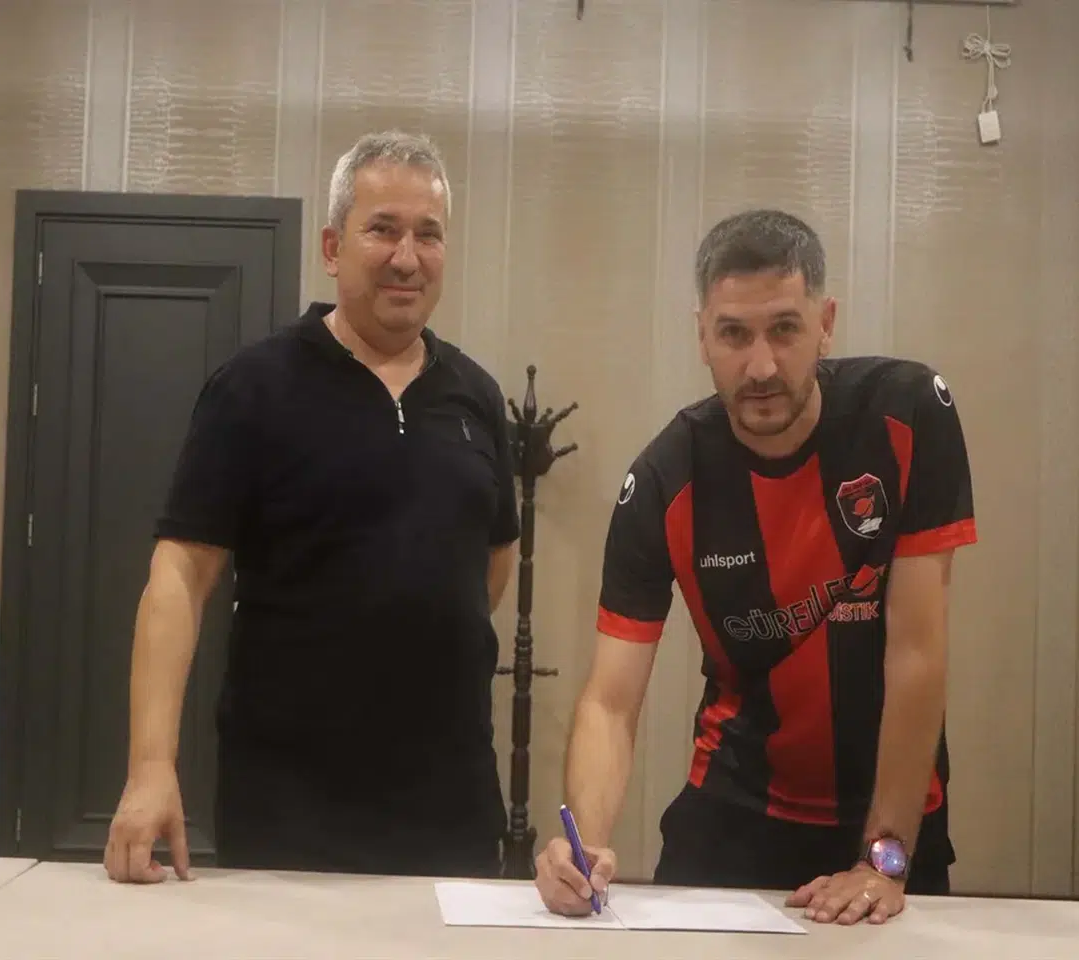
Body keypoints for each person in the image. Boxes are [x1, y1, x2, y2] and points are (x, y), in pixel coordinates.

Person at [534, 209, 977, 926]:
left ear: (825, 324)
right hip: (732, 816)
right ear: (702, 336)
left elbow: (918, 653)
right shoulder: (664, 480)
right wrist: (582, 848)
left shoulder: (907, 416)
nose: (761, 366)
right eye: (734, 334)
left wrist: (884, 858)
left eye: (785, 329)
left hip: (890, 821)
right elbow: (610, 701)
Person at [103, 130, 520, 884]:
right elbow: (180, 577)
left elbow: (490, 564)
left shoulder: (477, 397)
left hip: (450, 810)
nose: (407, 257)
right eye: (382, 229)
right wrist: (150, 767)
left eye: (428, 234)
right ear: (332, 247)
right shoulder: (253, 389)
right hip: (289, 813)